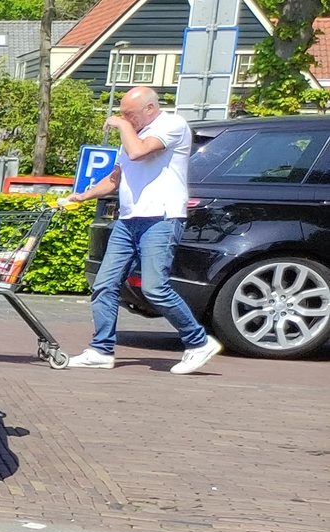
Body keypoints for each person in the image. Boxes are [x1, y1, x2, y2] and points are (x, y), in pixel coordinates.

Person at [57, 85, 220, 374]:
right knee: (104, 284)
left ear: (150, 109)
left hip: (161, 218)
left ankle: (198, 342)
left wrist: (121, 125)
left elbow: (139, 153)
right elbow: (116, 178)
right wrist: (82, 195)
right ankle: (101, 350)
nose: (125, 118)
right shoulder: (132, 135)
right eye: (122, 114)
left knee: (155, 288)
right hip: (129, 219)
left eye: (129, 114)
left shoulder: (172, 124)